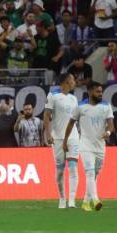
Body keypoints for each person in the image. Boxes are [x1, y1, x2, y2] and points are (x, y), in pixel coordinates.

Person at [63, 81, 114, 212]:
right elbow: (70, 124)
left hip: (100, 146)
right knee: (90, 173)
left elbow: (111, 125)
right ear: (90, 92)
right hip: (85, 145)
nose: (100, 94)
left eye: (101, 91)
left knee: (95, 174)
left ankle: (86, 202)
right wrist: (65, 141)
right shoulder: (80, 106)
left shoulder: (106, 106)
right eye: (98, 92)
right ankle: (96, 200)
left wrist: (108, 132)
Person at [44, 73, 80, 209]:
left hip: (73, 137)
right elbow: (46, 115)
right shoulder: (53, 95)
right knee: (60, 171)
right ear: (66, 82)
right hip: (58, 137)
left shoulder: (74, 98)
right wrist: (48, 134)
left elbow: (76, 119)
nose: (74, 82)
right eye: (72, 79)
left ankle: (71, 200)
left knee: (73, 168)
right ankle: (62, 198)